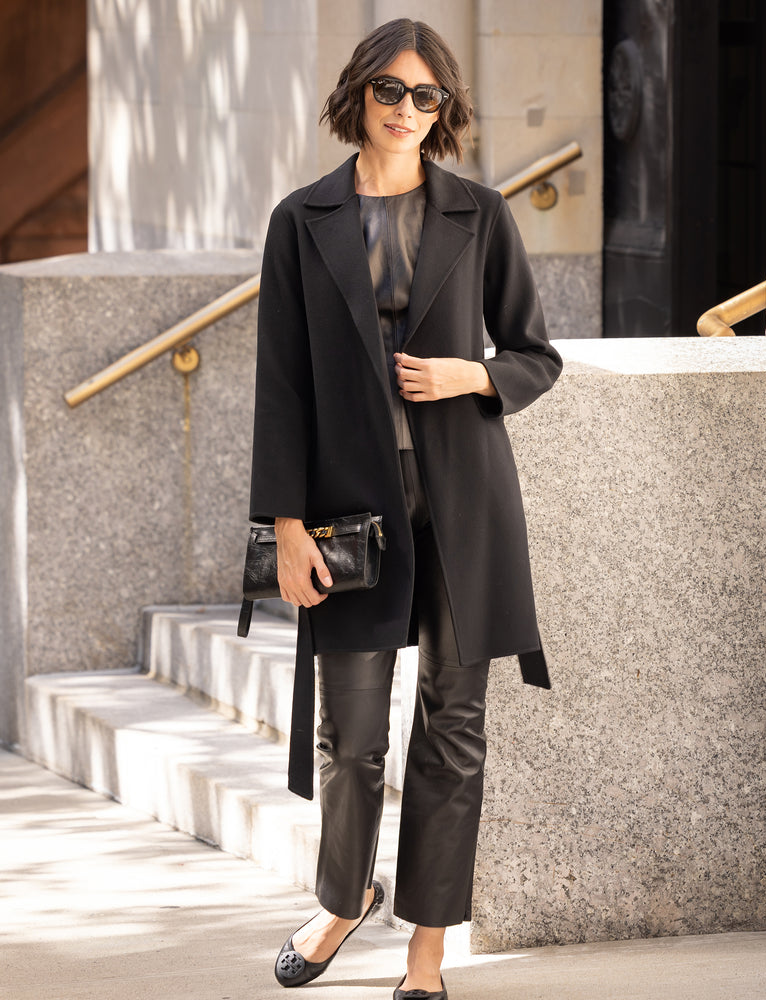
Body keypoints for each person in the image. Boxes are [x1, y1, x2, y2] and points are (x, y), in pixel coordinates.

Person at [249, 18, 562, 1000]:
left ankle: (427, 951)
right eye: (389, 91)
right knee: (350, 736)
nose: (405, 111)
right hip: (349, 518)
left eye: (426, 97)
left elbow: (532, 355)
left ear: (445, 110)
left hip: (463, 508)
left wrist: (470, 373)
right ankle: (344, 898)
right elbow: (281, 384)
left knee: (452, 727)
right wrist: (285, 525)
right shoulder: (301, 221)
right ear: (359, 96)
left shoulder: (478, 213)